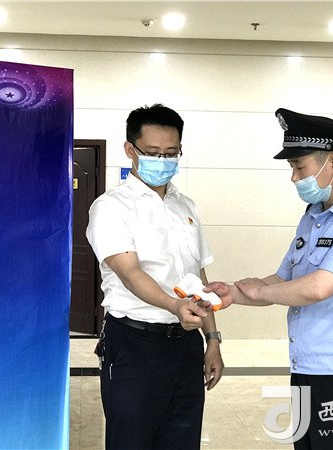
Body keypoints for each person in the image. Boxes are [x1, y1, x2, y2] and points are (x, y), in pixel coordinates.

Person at [207, 108, 333, 450]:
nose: (294, 178)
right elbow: (285, 279)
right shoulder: (315, 216)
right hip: (308, 370)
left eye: (300, 167)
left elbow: (318, 288)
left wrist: (261, 291)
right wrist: (235, 293)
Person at [86, 103, 224, 450]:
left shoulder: (185, 206)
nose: (162, 161)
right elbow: (130, 274)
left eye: (171, 153)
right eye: (152, 152)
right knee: (131, 440)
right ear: (130, 149)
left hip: (186, 343)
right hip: (135, 343)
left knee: (182, 439)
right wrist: (174, 305)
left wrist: (212, 339)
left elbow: (198, 276)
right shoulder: (111, 207)